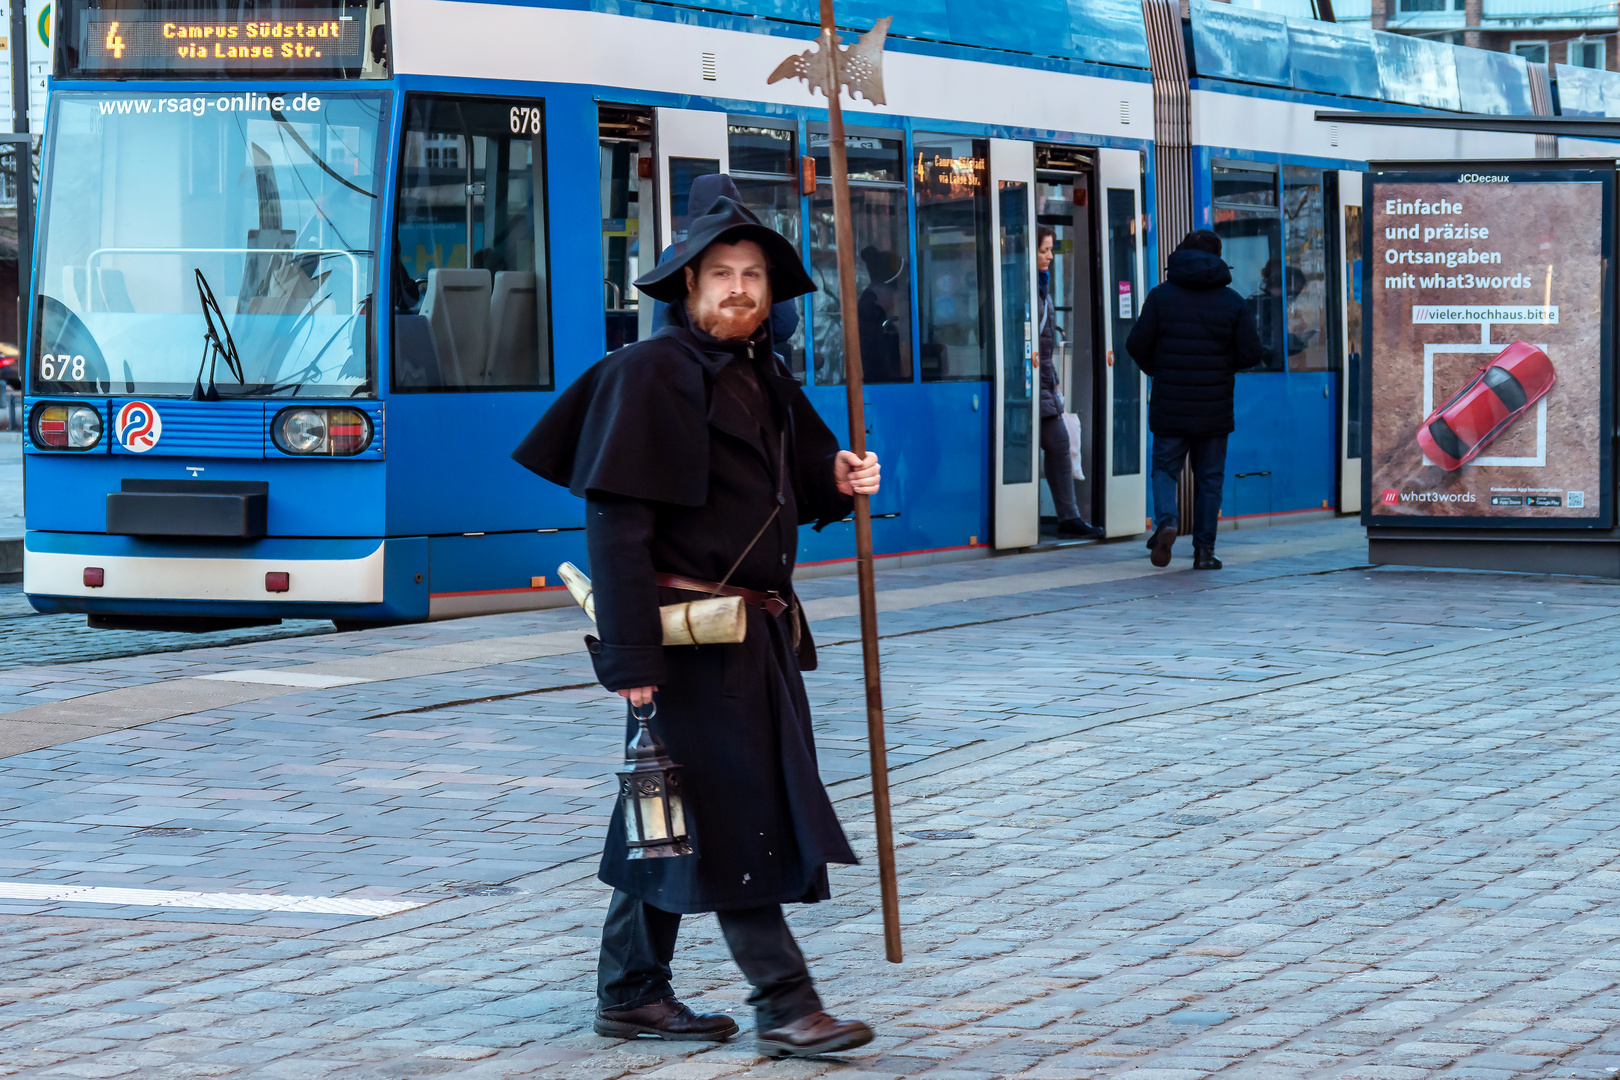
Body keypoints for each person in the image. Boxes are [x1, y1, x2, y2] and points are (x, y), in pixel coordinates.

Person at [511, 195, 881, 1059]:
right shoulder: (648, 372)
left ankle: (632, 993)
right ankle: (786, 1003)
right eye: (723, 275)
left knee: (668, 808)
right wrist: (631, 656)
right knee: (730, 809)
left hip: (754, 635)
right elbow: (618, 525)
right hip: (687, 636)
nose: (740, 290)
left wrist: (844, 476)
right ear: (688, 283)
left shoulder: (765, 373)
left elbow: (807, 481)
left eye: (753, 277)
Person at [1126, 229, 1269, 570]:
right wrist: (1221, 366)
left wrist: (1158, 370)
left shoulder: (1161, 297)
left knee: (1164, 469)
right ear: (1219, 259)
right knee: (1210, 480)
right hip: (1214, 406)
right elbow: (1251, 354)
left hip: (1170, 402)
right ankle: (1204, 552)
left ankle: (1167, 521)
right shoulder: (1233, 302)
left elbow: (1135, 344)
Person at [651, 173, 800, 352]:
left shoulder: (674, 254)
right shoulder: (757, 251)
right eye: (721, 273)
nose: (737, 287)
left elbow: (661, 326)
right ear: (737, 205)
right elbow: (786, 323)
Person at [1036, 226, 1103, 540]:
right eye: (1044, 250)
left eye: (1051, 250)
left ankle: (1069, 518)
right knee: (1056, 445)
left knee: (1060, 444)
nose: (1050, 256)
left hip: (1043, 385)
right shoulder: (1026, 288)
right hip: (1029, 387)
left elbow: (1045, 345)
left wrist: (1054, 382)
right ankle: (1067, 517)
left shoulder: (1041, 287)